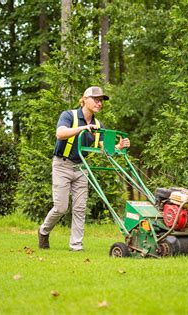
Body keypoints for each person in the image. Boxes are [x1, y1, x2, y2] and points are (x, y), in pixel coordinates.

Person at [38, 86, 130, 251]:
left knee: (80, 208)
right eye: (96, 99)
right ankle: (43, 230)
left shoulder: (97, 124)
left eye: (101, 100)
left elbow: (105, 149)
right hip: (62, 165)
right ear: (84, 99)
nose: (99, 103)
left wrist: (119, 146)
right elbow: (60, 134)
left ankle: (76, 246)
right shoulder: (68, 115)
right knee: (61, 207)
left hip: (82, 167)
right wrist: (82, 129)